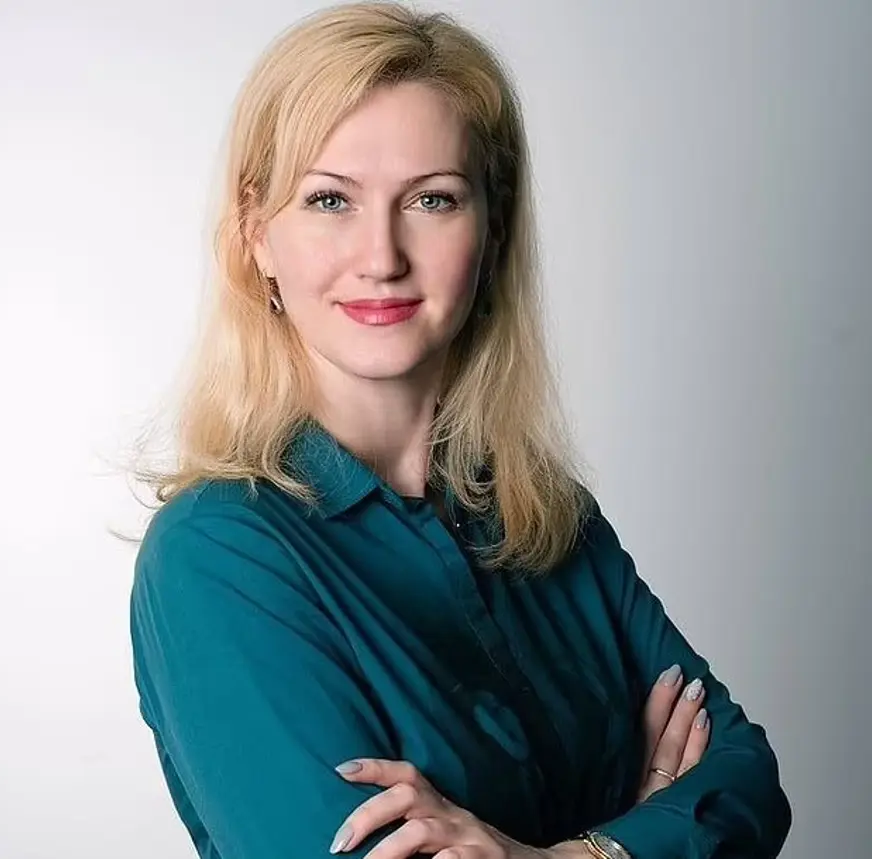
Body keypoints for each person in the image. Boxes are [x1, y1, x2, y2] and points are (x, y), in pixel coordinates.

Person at [128, 3, 792, 858]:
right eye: (330, 199)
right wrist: (645, 829)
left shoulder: (546, 514)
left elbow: (746, 778)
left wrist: (564, 856)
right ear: (258, 236)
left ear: (493, 226)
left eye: (432, 199)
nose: (382, 256)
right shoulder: (218, 555)